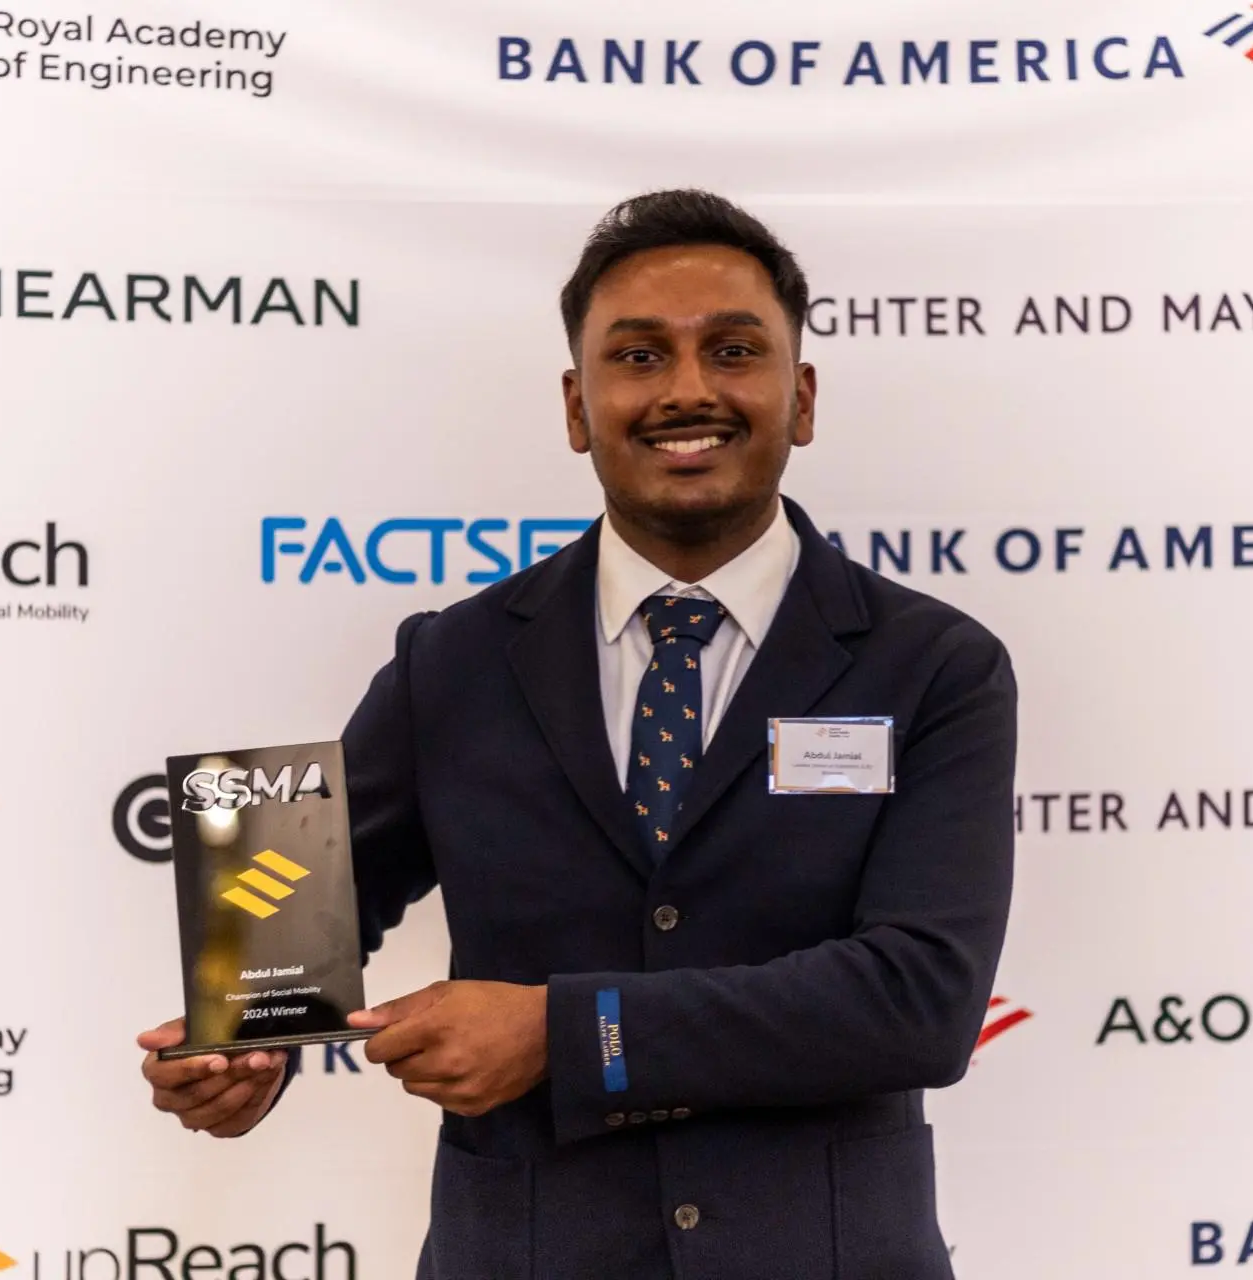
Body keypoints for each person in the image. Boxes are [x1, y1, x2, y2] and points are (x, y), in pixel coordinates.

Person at [138, 189, 1017, 1280]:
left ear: (800, 396)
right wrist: (239, 1044)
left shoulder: (935, 666)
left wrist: (562, 1033)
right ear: (576, 405)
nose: (687, 388)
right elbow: (292, 913)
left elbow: (920, 1003)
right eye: (638, 356)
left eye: (733, 350)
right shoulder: (449, 661)